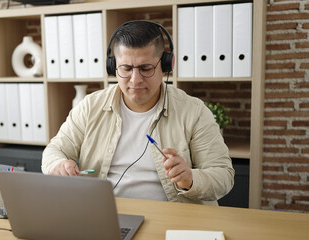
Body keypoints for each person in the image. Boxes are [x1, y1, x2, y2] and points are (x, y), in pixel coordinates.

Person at [42, 20, 234, 205]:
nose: (135, 80)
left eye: (146, 68)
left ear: (167, 65)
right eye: (126, 68)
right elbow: (54, 151)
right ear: (113, 67)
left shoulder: (194, 111)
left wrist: (191, 178)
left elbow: (223, 175)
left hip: (174, 217)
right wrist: (58, 165)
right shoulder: (90, 106)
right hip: (104, 214)